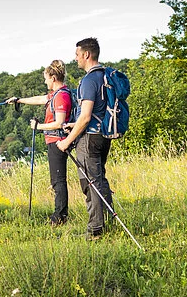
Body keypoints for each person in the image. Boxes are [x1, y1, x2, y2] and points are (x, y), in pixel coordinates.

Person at [56, 37, 112, 240]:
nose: (76, 59)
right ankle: (107, 222)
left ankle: (95, 230)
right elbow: (95, 112)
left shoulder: (89, 80)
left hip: (89, 138)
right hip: (104, 134)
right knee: (100, 179)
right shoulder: (105, 76)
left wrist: (67, 141)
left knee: (90, 183)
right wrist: (75, 123)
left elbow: (86, 116)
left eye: (78, 55)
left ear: (87, 54)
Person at [6, 60, 73, 226]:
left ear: (53, 77)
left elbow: (59, 122)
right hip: (54, 140)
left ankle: (60, 217)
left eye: (46, 78)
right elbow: (41, 99)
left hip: (58, 141)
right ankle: (59, 215)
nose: (45, 82)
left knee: (58, 180)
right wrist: (19, 100)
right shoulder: (56, 94)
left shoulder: (62, 97)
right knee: (56, 180)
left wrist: (39, 126)